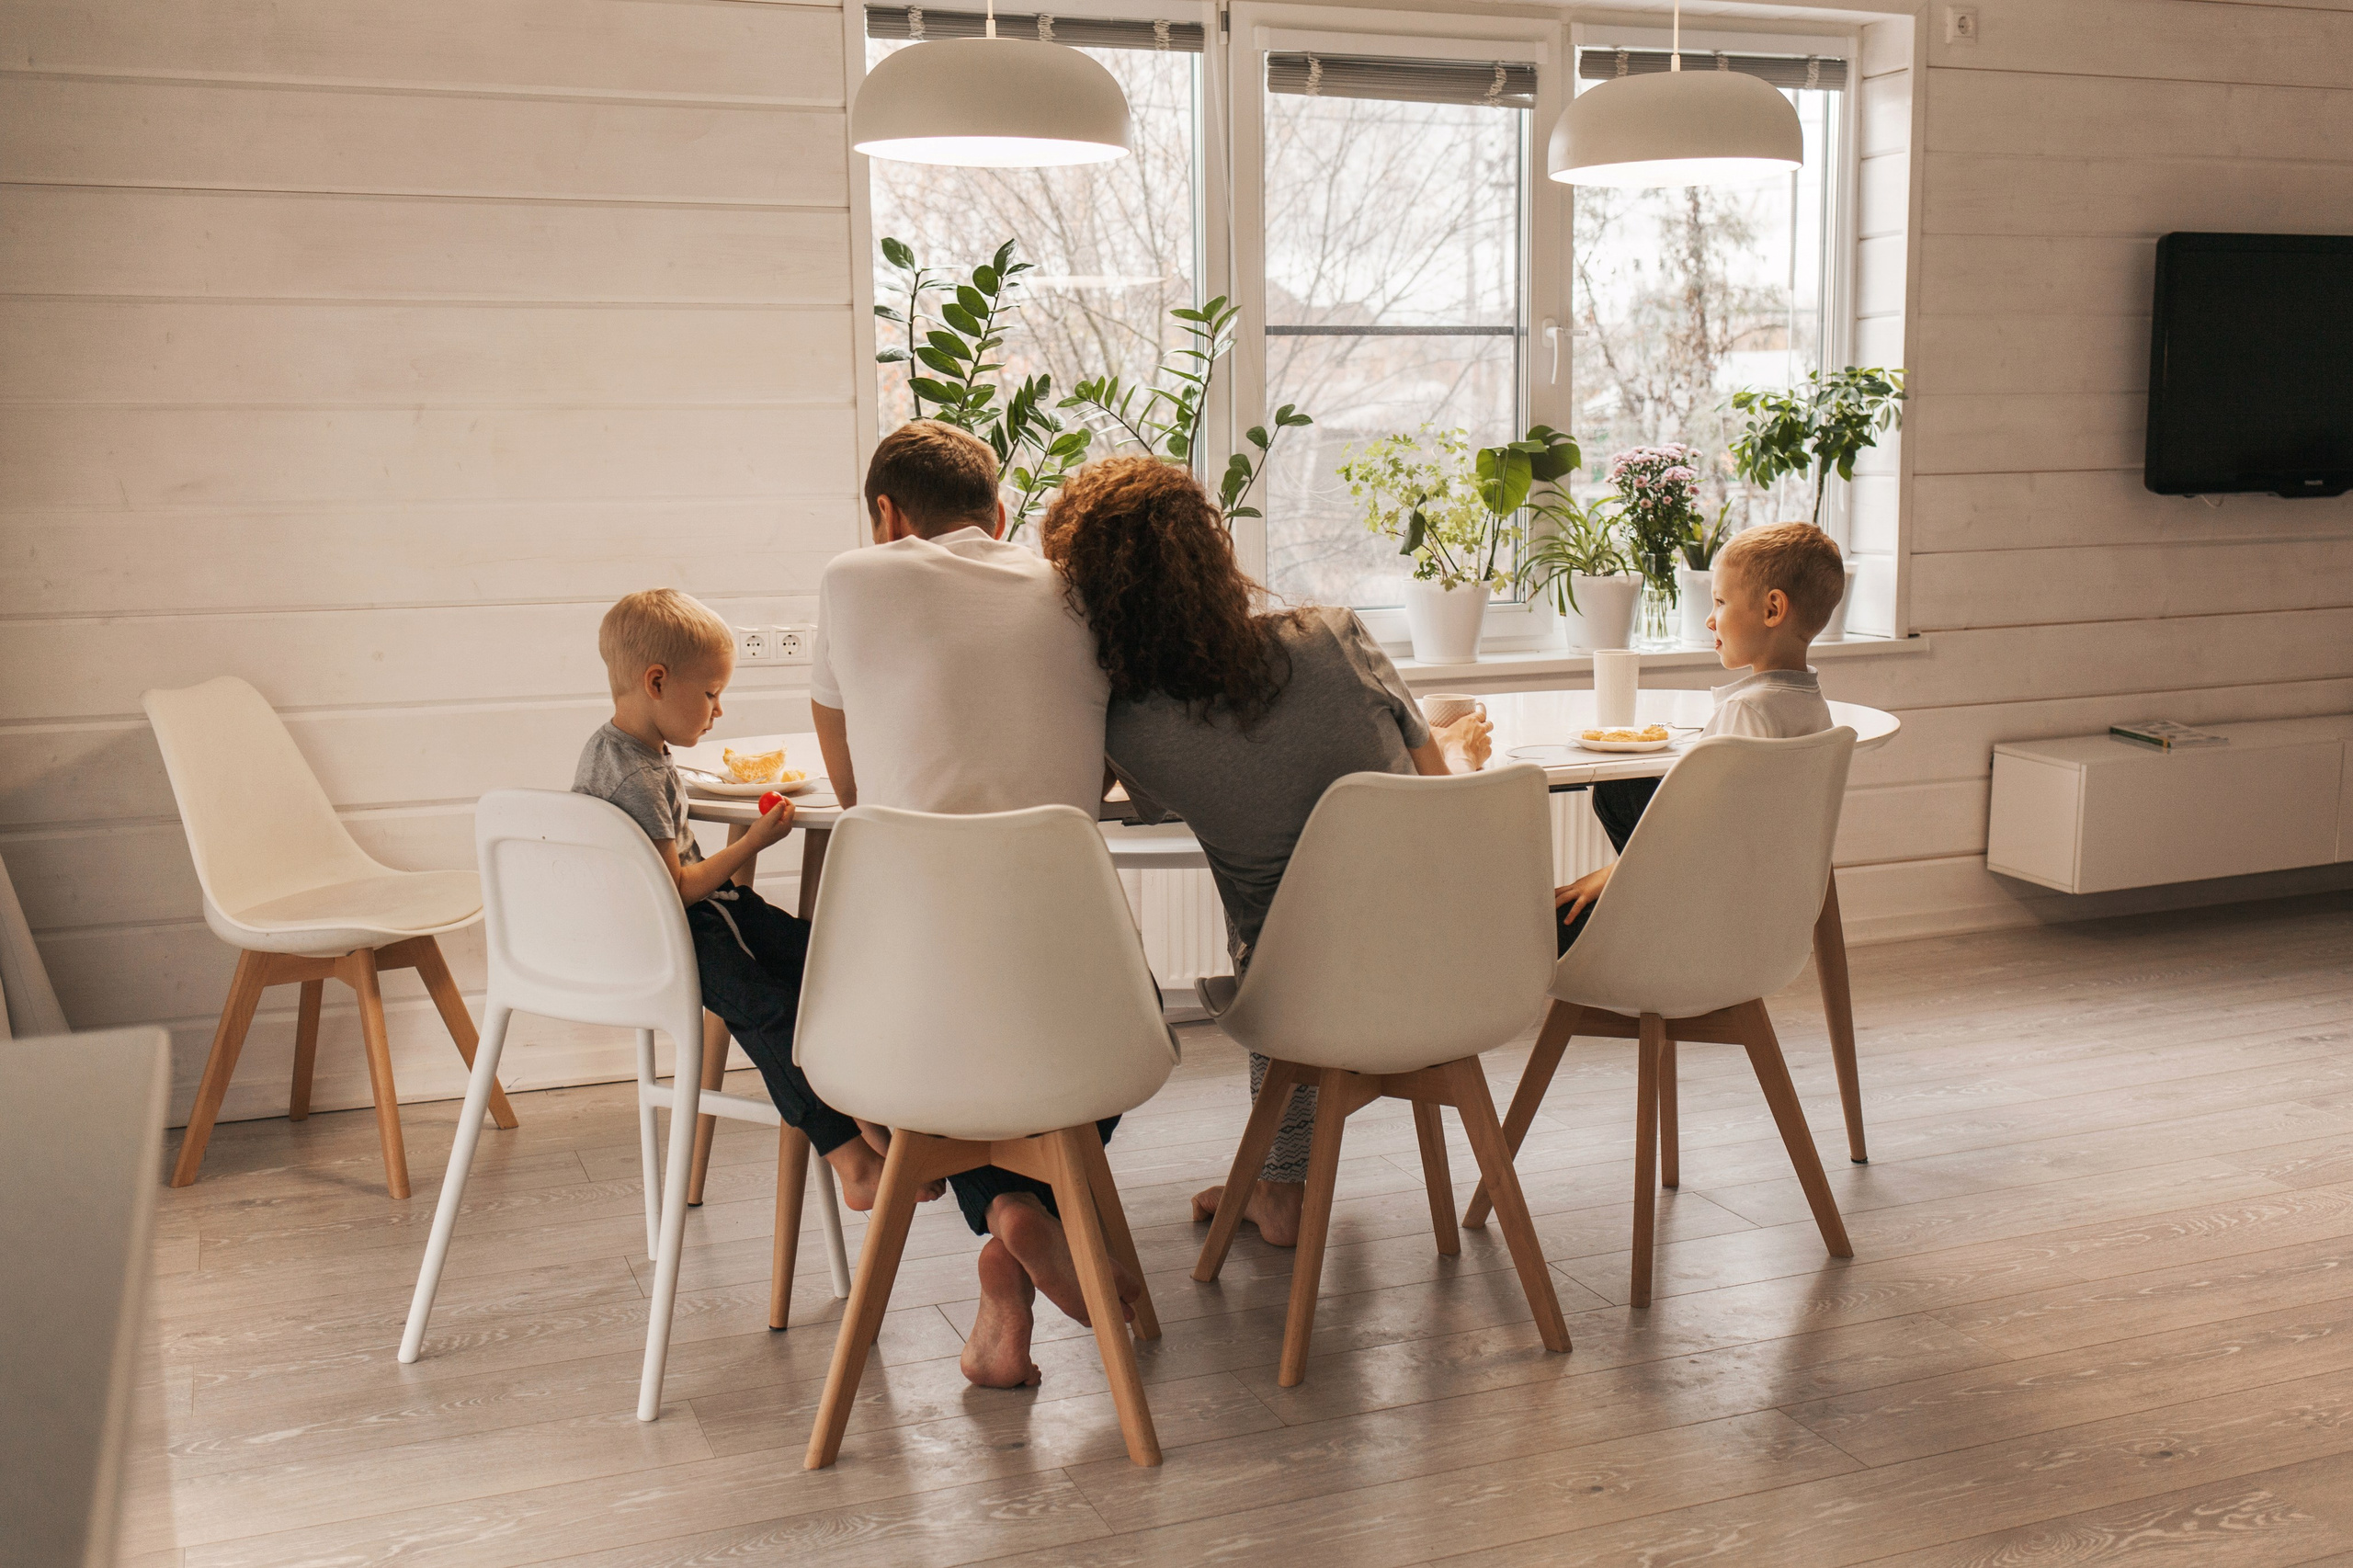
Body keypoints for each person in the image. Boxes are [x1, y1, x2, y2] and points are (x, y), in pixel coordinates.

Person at [1039, 453, 1491, 1255]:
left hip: (1298, 999)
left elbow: (1093, 800)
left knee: (1280, 931)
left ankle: (1280, 1187)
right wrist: (1451, 741)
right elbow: (1440, 791)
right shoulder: (1332, 635)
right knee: (1312, 918)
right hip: (1453, 968)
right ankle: (1278, 1180)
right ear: (1213, 554)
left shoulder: (1126, 725)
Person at [808, 420, 1134, 1390]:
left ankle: (997, 1210)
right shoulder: (1076, 591)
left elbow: (854, 793)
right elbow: (1108, 761)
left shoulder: (850, 580)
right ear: (1000, 516)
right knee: (1105, 1043)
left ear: (884, 515)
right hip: (1077, 1012)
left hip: (905, 1009)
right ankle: (1026, 1215)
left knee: (909, 1064)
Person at [571, 588, 919, 1217]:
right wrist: (757, 841)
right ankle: (852, 1156)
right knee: (771, 1010)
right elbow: (677, 887)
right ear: (657, 681)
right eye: (709, 694)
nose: (719, 711)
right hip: (677, 930)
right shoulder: (636, 776)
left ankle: (869, 1100)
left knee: (820, 959)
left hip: (699, 910)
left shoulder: (619, 750)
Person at [1556, 522, 1845, 950]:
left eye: (1721, 601)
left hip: (1702, 924)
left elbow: (1707, 834)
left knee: (1547, 925)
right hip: (1762, 918)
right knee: (1624, 789)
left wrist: (1613, 875)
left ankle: (1640, 932)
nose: (1710, 618)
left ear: (1772, 610)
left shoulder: (1746, 712)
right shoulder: (1810, 704)